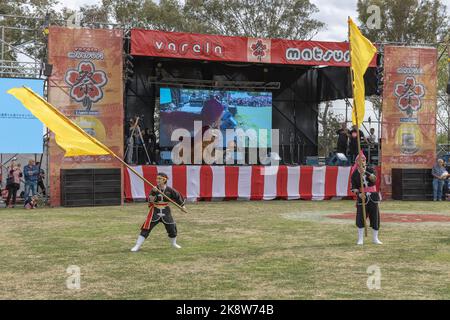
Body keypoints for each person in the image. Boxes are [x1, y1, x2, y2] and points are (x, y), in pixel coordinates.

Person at [131, 172, 186, 252]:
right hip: (155, 211)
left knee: (171, 227)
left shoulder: (170, 190)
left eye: (159, 178)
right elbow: (150, 200)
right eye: (157, 178)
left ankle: (174, 243)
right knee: (146, 228)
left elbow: (178, 197)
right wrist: (153, 192)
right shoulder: (154, 189)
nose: (157, 180)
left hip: (166, 211)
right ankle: (137, 246)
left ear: (164, 180)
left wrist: (182, 206)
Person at [351, 152, 382, 245]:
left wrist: (365, 172)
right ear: (356, 162)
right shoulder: (355, 173)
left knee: (375, 217)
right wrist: (359, 194)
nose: (362, 162)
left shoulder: (371, 169)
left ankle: (375, 238)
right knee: (361, 217)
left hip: (373, 196)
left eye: (363, 160)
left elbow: (374, 179)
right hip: (362, 196)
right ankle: (360, 239)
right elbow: (353, 187)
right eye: (359, 160)